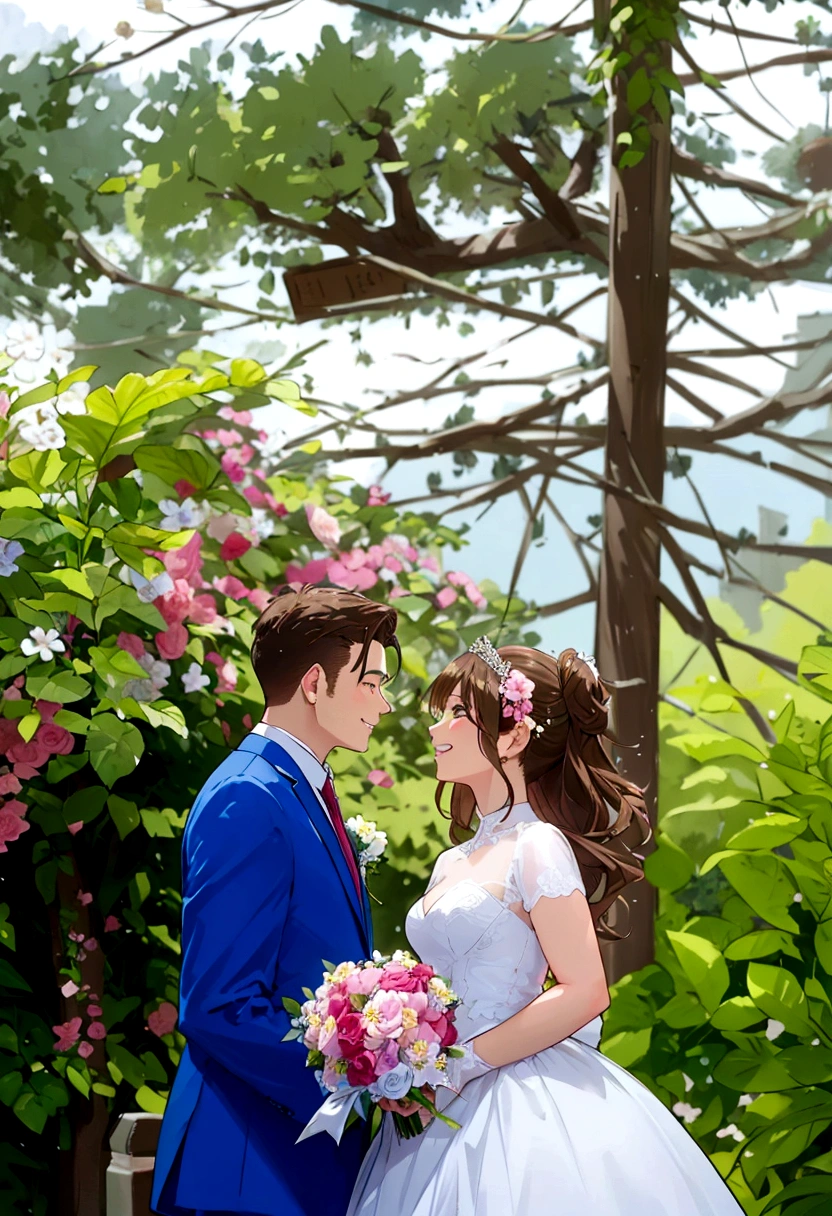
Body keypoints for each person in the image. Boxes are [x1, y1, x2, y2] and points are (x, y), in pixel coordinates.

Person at [348, 638, 745, 1215]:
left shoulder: (539, 845)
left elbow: (586, 989)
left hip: (515, 1095)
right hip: (436, 1095)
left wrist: (461, 1063)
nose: (438, 729)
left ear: (511, 736)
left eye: (458, 713)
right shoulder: (451, 862)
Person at [152, 585, 399, 1216]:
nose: (385, 701)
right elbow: (219, 1002)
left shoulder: (300, 789)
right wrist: (352, 1083)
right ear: (316, 684)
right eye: (370, 682)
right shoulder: (249, 796)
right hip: (248, 1165)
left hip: (294, 1160)